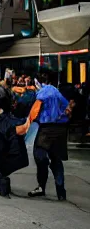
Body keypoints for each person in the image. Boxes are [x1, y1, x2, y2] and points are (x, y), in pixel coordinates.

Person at [17, 71, 72, 201]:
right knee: (56, 159)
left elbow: (35, 112)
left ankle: (41, 186)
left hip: (46, 129)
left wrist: (25, 126)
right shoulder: (57, 92)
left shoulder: (42, 92)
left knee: (40, 156)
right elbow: (68, 109)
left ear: (38, 81)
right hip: (60, 129)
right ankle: (61, 191)